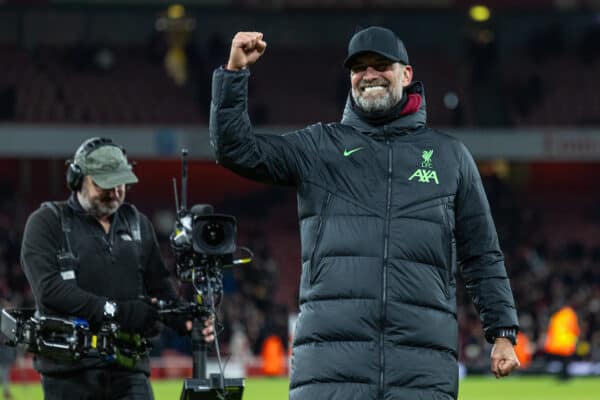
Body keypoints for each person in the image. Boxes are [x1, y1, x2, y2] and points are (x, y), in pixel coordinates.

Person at [210, 26, 520, 400]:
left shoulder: (450, 157)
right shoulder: (319, 147)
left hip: (421, 374)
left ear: (406, 74)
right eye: (359, 68)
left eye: (381, 65)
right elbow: (236, 150)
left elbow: (482, 253)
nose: (369, 74)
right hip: (329, 374)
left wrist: (502, 332)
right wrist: (234, 72)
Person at [20, 137, 214, 400]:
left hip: (129, 369)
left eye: (121, 182)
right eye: (104, 184)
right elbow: (50, 291)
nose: (115, 191)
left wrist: (186, 320)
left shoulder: (138, 223)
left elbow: (160, 288)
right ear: (77, 179)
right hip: (67, 373)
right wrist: (118, 312)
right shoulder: (47, 223)